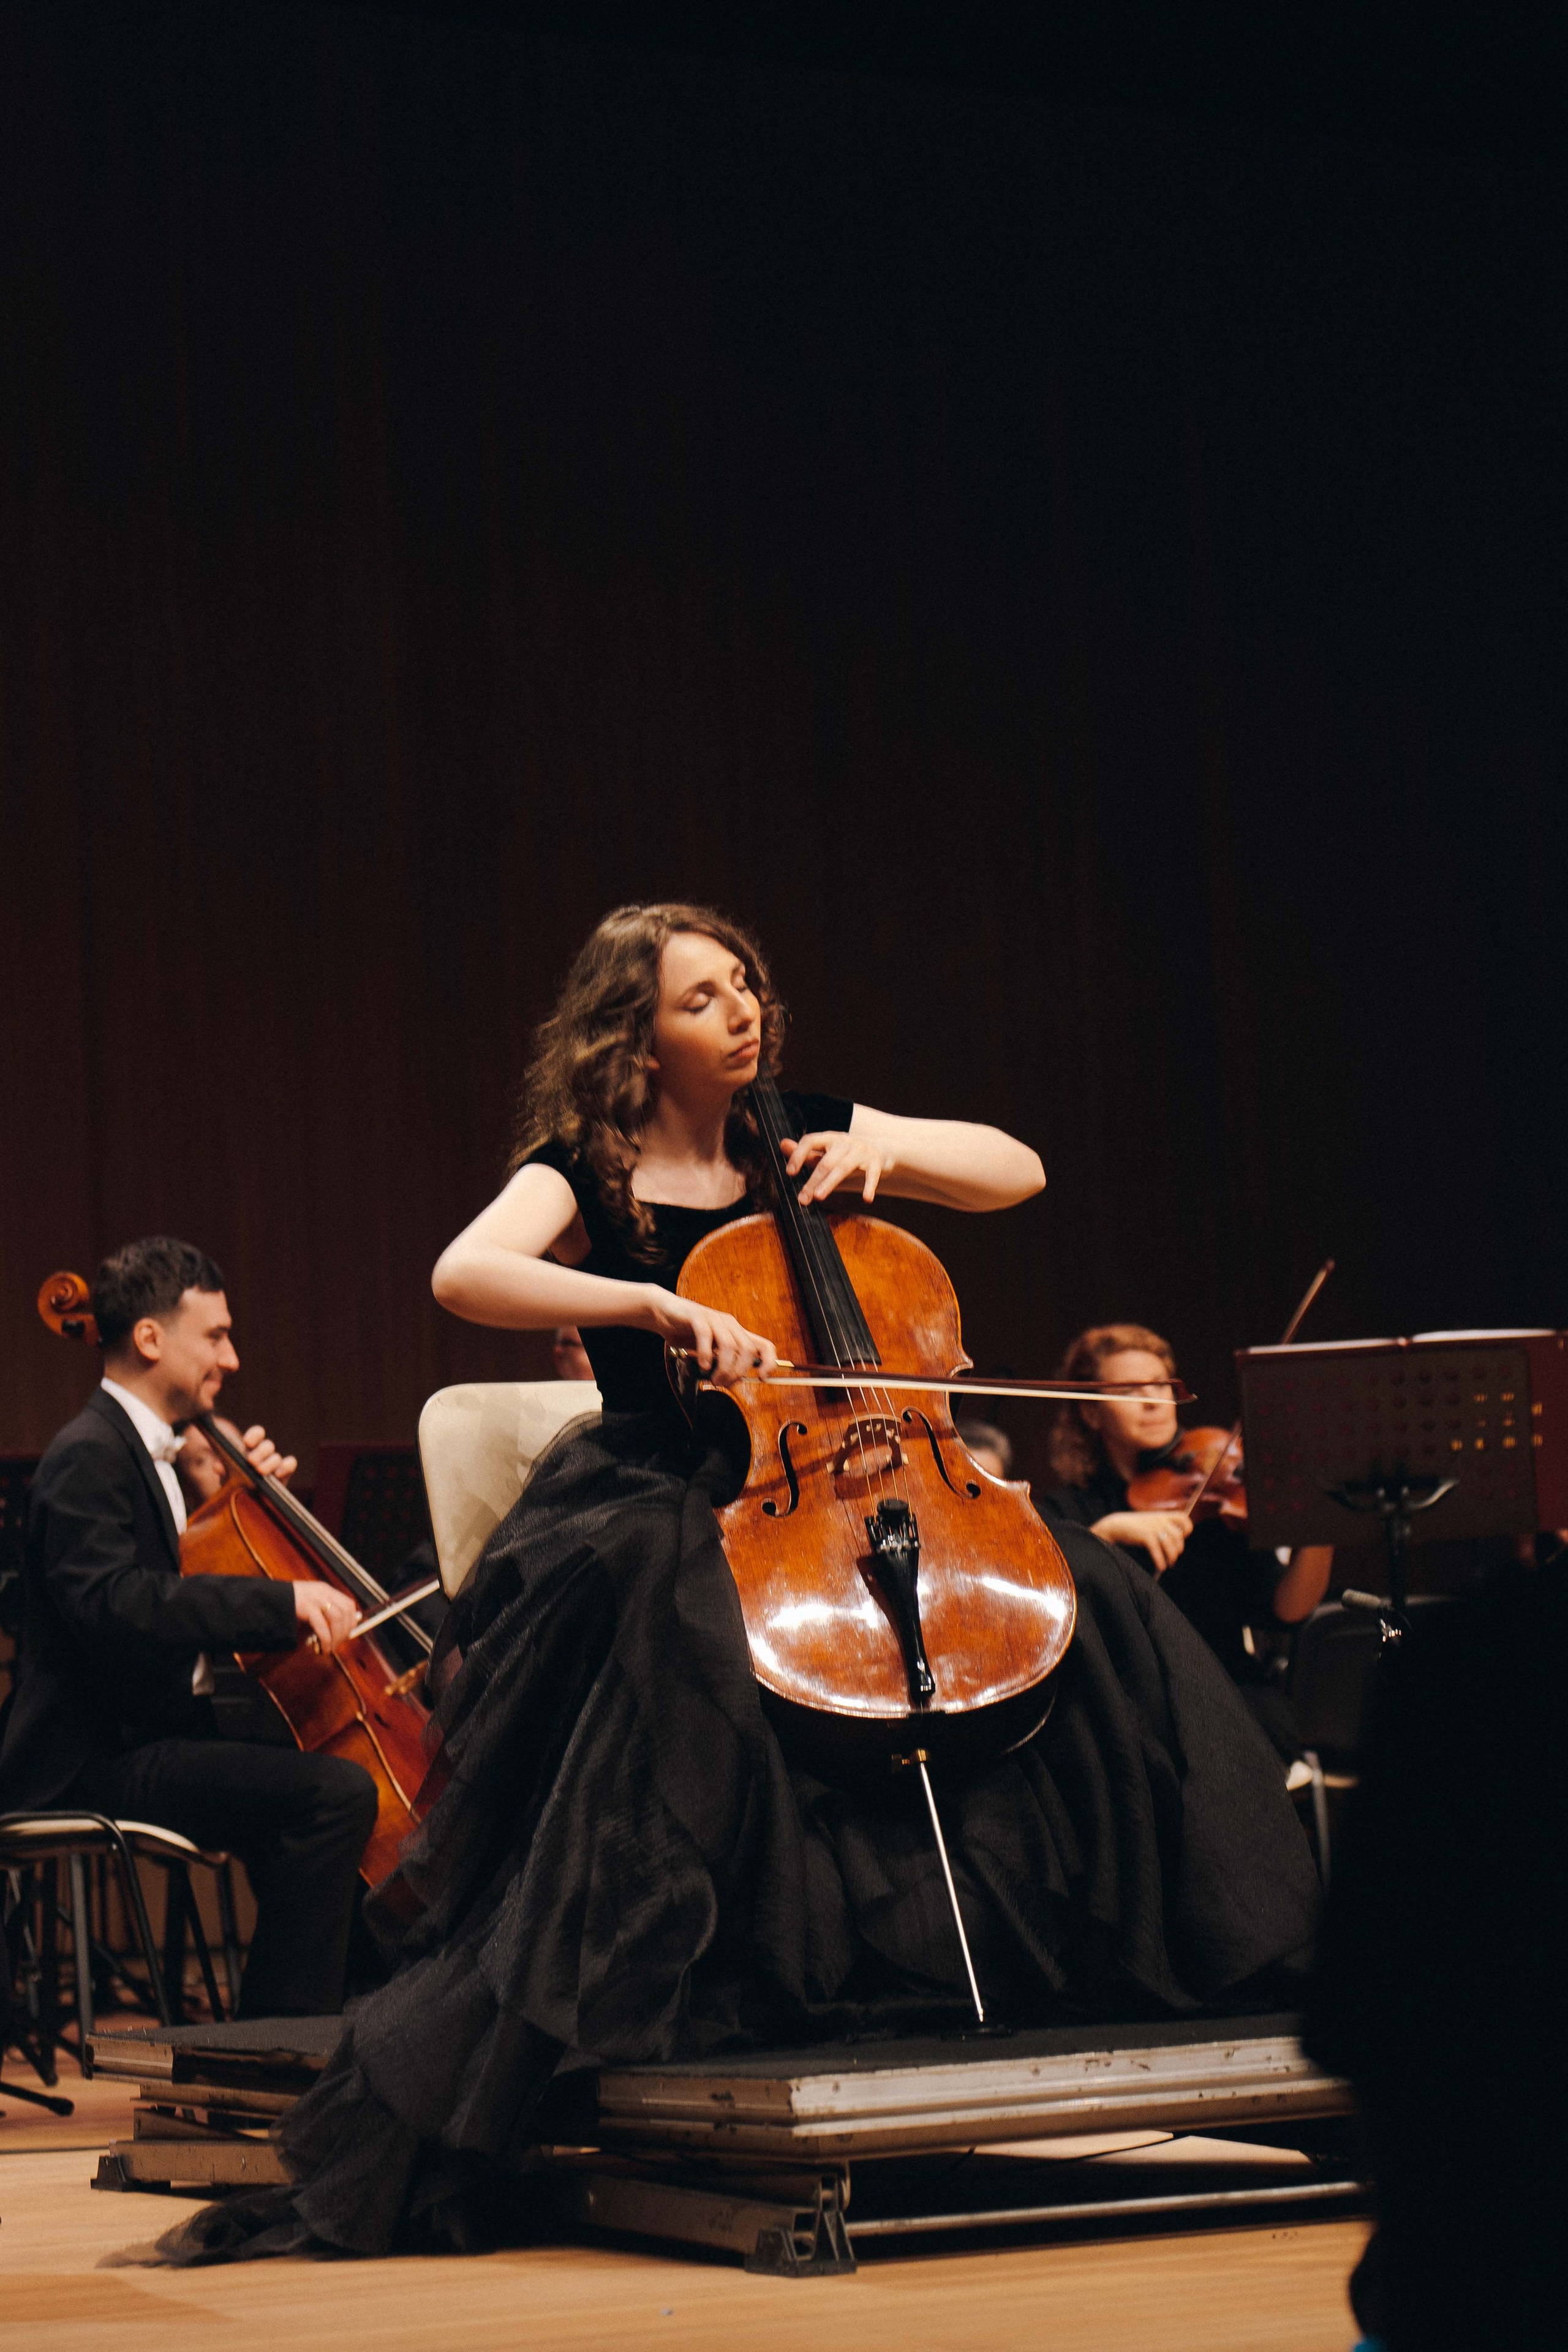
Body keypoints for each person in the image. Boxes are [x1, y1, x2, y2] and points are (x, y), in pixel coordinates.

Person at [153, 903, 1317, 2264]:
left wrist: (888, 1148)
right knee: (688, 1621)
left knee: (1092, 1602)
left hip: (864, 1476)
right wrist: (641, 1304)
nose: (740, 1011)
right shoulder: (586, 1171)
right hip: (671, 1489)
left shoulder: (800, 1129)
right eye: (701, 999)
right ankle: (734, 1975)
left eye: (744, 986)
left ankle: (1154, 1945)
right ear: (634, 1038)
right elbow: (463, 1272)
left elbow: (1017, 1170)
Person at [0, 1238, 379, 2016]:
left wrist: (233, 1506)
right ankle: (273, 2051)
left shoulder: (162, 1459)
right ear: (149, 1339)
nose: (232, 1358)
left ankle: (348, 2027)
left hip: (155, 1731)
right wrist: (284, 1603)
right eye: (215, 1335)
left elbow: (183, 1583)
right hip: (93, 1757)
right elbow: (116, 1603)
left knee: (326, 1780)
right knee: (332, 1795)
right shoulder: (88, 1456)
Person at [1042, 1323, 1333, 1754]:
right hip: (1125, 1702)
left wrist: (1319, 1529)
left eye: (1162, 1386)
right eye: (1128, 1392)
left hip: (1227, 1690)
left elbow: (1285, 1608)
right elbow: (1045, 1595)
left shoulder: (1218, 1501)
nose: (1153, 1403)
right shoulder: (1069, 1512)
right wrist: (1107, 1534)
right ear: (1090, 1413)